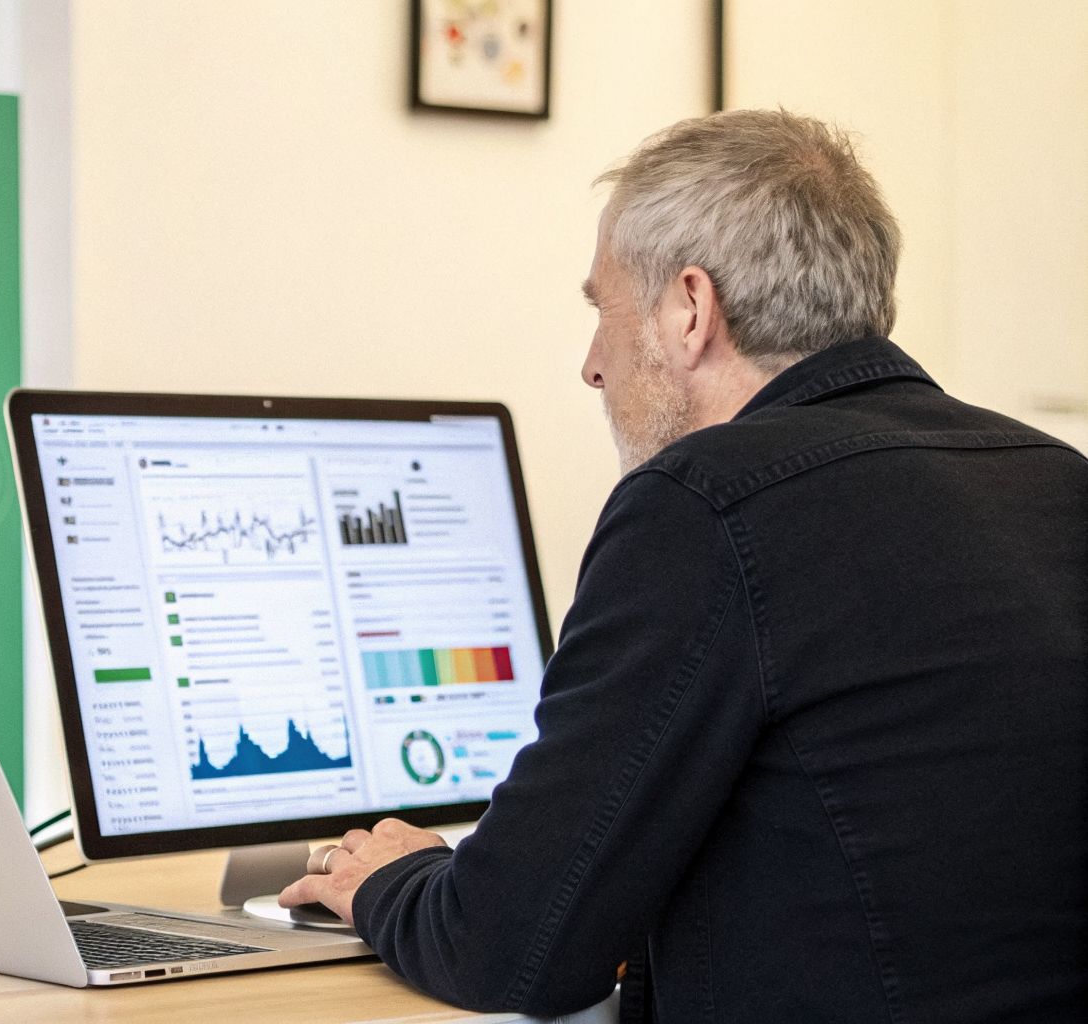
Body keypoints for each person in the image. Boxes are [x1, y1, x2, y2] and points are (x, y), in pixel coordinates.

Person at [278, 109, 1088, 1023]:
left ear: (690, 308)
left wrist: (395, 877)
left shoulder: (704, 501)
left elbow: (505, 950)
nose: (592, 365)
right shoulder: (1054, 476)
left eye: (603, 310)